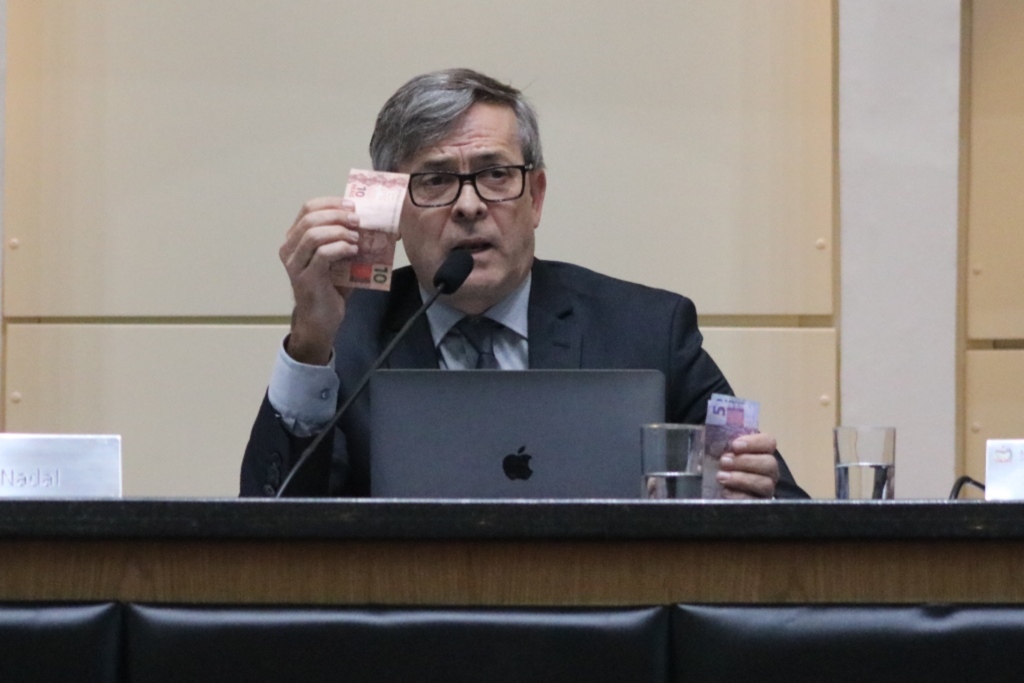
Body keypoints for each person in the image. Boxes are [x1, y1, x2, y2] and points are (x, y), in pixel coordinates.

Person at [240, 68, 808, 499]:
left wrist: (745, 490)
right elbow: (267, 525)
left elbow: (781, 507)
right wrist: (311, 342)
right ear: (392, 210)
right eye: (436, 181)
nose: (469, 206)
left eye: (494, 175)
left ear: (534, 197)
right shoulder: (347, 337)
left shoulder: (646, 329)